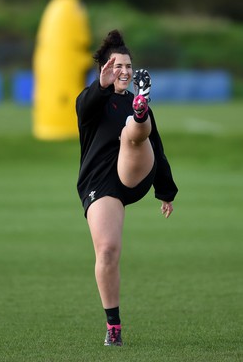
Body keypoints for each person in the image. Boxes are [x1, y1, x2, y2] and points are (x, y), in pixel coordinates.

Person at [76, 29, 178, 346]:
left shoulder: (130, 102)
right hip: (101, 183)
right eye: (117, 66)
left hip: (136, 171)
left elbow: (158, 151)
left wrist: (166, 191)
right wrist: (102, 85)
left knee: (134, 133)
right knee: (107, 251)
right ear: (105, 69)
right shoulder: (90, 100)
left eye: (128, 68)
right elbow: (87, 104)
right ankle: (114, 327)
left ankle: (140, 110)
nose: (124, 71)